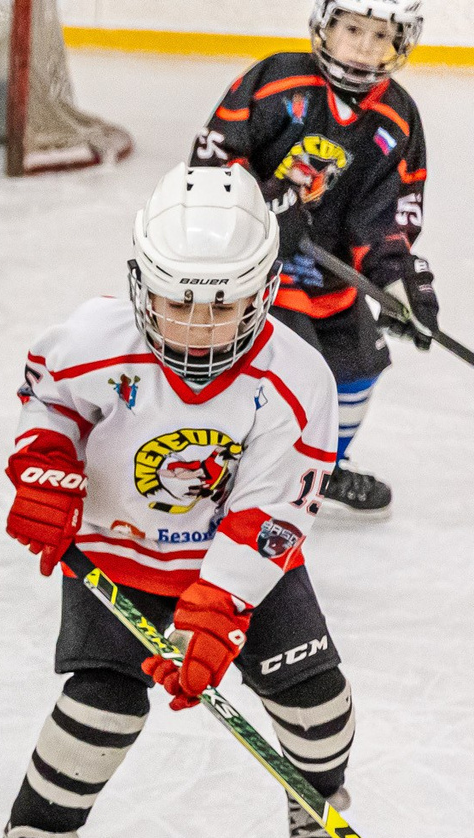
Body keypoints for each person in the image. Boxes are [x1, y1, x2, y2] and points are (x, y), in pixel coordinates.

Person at [0, 164, 351, 838]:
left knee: (317, 702)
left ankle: (315, 797)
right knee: (102, 707)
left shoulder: (297, 380)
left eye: (222, 306)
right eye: (179, 302)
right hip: (116, 557)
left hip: (236, 569)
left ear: (261, 292)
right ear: (143, 284)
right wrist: (45, 465)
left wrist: (218, 612)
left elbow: (269, 513)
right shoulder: (94, 340)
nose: (198, 329)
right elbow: (47, 400)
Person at [194, 0, 432, 517]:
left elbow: (386, 216)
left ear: (401, 41)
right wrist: (264, 201)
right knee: (290, 374)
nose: (364, 47)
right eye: (352, 29)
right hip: (254, 272)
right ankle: (236, 471)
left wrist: (398, 280)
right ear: (325, 25)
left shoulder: (398, 116)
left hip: (329, 277)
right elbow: (211, 161)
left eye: (380, 35)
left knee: (358, 368)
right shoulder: (275, 79)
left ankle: (321, 471)